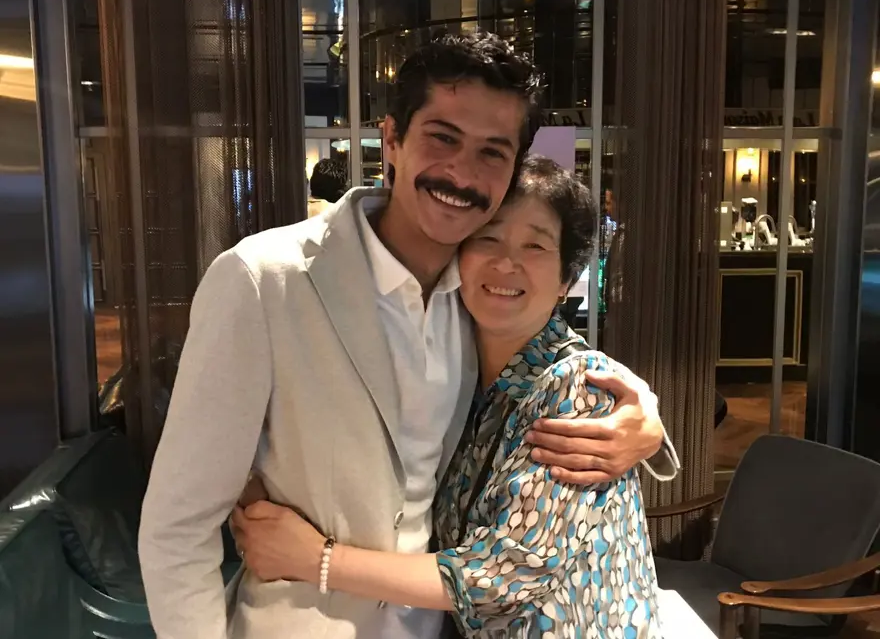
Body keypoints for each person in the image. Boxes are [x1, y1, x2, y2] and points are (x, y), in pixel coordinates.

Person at [138, 32, 679, 639]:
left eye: (492, 152)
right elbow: (178, 526)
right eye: (442, 138)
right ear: (392, 137)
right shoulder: (265, 279)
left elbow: (552, 375)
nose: (462, 173)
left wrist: (646, 421)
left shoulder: (473, 300)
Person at [231, 156, 662, 638]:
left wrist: (316, 559)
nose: (506, 262)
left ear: (566, 279)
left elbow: (501, 577)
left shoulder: (577, 387)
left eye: (535, 245)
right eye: (488, 238)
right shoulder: (456, 364)